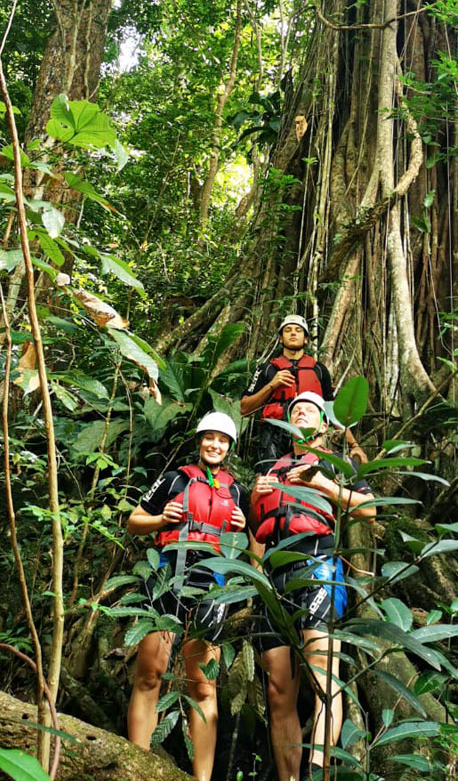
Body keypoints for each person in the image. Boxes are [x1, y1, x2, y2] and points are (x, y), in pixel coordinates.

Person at [249, 392, 376, 781]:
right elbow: (257, 532)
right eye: (295, 410)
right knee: (277, 690)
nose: (300, 412)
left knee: (324, 678)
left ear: (324, 424)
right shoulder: (274, 470)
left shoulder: (337, 465)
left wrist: (323, 483)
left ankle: (317, 773)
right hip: (275, 576)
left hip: (319, 566)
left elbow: (368, 509)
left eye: (309, 410)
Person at [126, 411, 250, 781]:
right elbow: (134, 522)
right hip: (168, 575)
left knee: (203, 685)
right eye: (209, 438)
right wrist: (163, 518)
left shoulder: (237, 490)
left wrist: (242, 531)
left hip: (211, 582)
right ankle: (137, 764)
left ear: (229, 447)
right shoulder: (174, 480)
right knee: (150, 674)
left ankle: (202, 777)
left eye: (222, 440)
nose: (215, 445)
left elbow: (252, 546)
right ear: (199, 441)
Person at [241, 314, 368, 470]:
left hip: (310, 437)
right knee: (270, 482)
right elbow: (244, 408)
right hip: (273, 438)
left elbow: (332, 411)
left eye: (298, 330)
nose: (293, 333)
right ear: (280, 339)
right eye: (288, 330)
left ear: (306, 339)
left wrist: (354, 445)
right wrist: (272, 385)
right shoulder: (267, 369)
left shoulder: (319, 370)